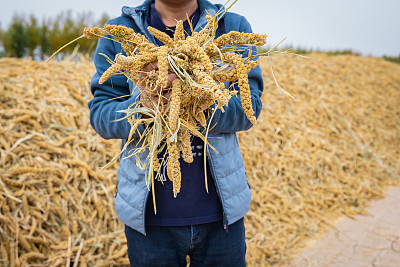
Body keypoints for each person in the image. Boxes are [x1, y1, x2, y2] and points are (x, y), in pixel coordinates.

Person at [88, 0, 264, 266]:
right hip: (149, 223)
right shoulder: (119, 32)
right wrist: (145, 108)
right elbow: (101, 116)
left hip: (222, 220)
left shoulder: (231, 28)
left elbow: (249, 110)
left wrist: (200, 101)